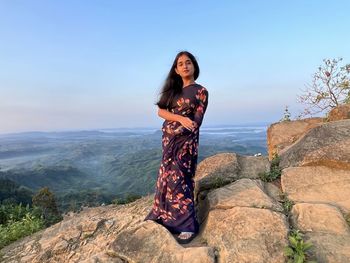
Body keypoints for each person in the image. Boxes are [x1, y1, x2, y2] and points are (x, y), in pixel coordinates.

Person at [144, 51, 209, 244]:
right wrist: (180, 117)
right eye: (181, 64)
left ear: (194, 66)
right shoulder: (172, 90)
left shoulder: (201, 91)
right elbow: (161, 111)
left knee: (181, 180)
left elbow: (196, 121)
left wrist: (183, 127)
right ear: (176, 69)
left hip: (186, 142)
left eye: (188, 62)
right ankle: (164, 217)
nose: (185, 66)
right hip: (168, 141)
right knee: (166, 178)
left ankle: (187, 226)